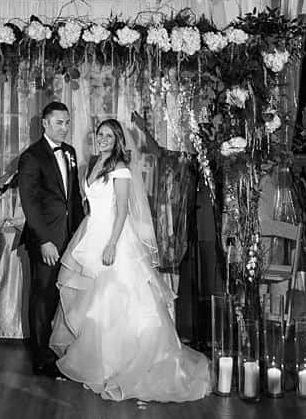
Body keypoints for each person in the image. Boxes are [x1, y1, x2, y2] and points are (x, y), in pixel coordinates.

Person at [49, 118, 209, 402]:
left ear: (118, 140)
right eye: (100, 134)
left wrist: (111, 244)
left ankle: (123, 366)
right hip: (91, 233)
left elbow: (122, 210)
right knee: (93, 305)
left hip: (114, 239)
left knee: (116, 302)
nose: (102, 139)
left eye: (109, 135)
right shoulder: (93, 165)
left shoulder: (120, 170)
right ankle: (101, 363)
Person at [17, 101, 83, 380]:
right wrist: (44, 240)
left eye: (67, 122)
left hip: (69, 236)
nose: (65, 128)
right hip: (46, 240)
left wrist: (81, 233)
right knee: (42, 296)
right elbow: (29, 203)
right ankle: (40, 358)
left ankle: (56, 349)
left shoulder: (70, 152)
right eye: (59, 122)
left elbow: (74, 199)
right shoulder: (31, 156)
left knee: (61, 295)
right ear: (44, 123)